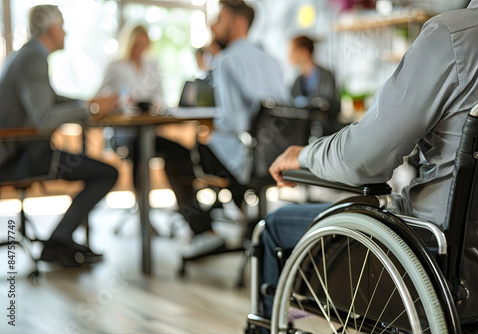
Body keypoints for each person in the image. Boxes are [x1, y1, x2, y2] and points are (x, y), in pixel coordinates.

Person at [260, 0, 478, 321]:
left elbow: (364, 158)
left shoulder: (454, 36)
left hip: (434, 264)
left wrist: (305, 155)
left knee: (273, 226)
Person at [161, 0, 290, 257]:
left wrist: (209, 130)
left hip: (244, 160)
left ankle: (204, 232)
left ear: (239, 23)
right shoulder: (272, 60)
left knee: (172, 154)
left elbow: (232, 123)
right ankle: (245, 220)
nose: (212, 24)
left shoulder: (226, 60)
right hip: (278, 156)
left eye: (220, 18)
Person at [0, 5, 119, 267]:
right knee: (107, 173)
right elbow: (44, 119)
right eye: (63, 27)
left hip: (23, 151)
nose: (65, 33)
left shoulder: (25, 55)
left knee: (99, 170)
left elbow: (51, 98)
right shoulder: (33, 59)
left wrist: (88, 102)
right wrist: (92, 108)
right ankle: (58, 241)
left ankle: (60, 241)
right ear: (53, 29)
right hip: (22, 157)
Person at [98, 24, 164, 187]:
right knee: (140, 149)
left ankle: (178, 205)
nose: (140, 49)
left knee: (173, 150)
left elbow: (160, 96)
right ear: (129, 43)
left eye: (144, 44)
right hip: (123, 130)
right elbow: (99, 97)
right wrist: (120, 101)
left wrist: (154, 104)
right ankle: (141, 206)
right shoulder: (115, 66)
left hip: (148, 128)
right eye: (136, 45)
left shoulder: (152, 65)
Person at [289, 35, 342, 135]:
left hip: (326, 130)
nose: (289, 56)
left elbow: (328, 103)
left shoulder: (326, 75)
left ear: (303, 52)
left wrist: (306, 103)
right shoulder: (297, 80)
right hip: (304, 131)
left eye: (292, 52)